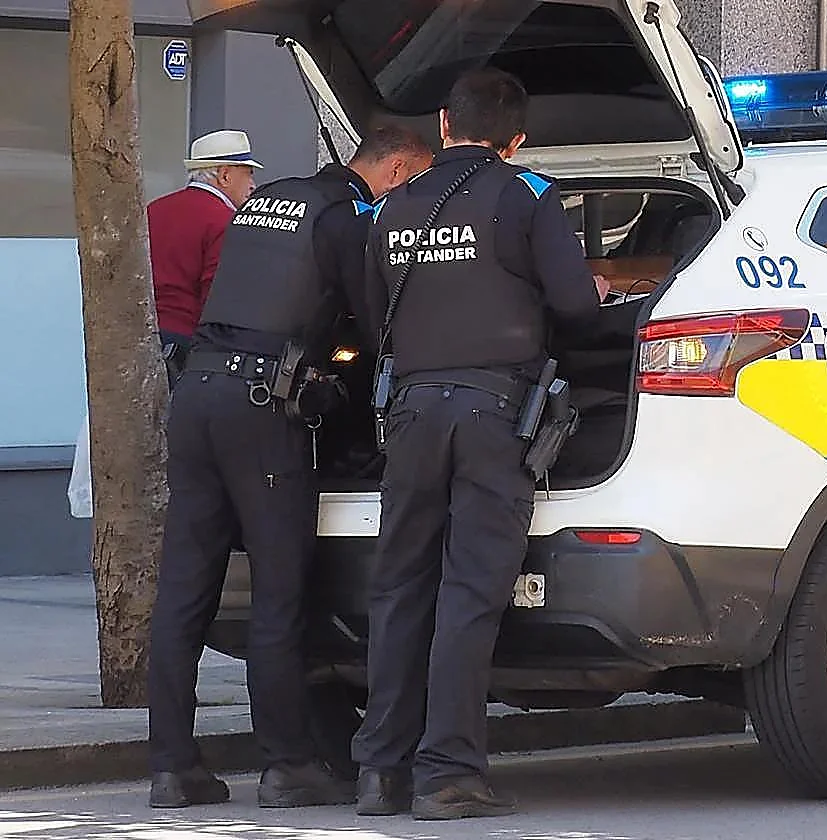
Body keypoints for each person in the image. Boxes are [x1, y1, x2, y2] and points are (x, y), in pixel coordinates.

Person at [145, 116, 433, 810]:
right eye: (414, 185)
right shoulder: (345, 219)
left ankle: (173, 769)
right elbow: (378, 323)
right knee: (279, 593)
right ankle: (287, 765)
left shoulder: (267, 199)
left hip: (197, 395)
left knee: (183, 591)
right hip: (260, 409)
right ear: (396, 171)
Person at [352, 67, 609, 821]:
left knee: (399, 588)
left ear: (444, 124)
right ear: (515, 139)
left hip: (408, 414)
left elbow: (371, 319)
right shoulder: (526, 195)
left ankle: (380, 773)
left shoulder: (392, 205)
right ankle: (448, 774)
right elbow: (577, 308)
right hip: (492, 414)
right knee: (468, 592)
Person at [149, 130, 261, 359]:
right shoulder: (226, 220)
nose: (253, 185)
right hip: (187, 344)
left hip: (142, 335)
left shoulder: (153, 209)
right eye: (248, 174)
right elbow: (218, 298)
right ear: (225, 176)